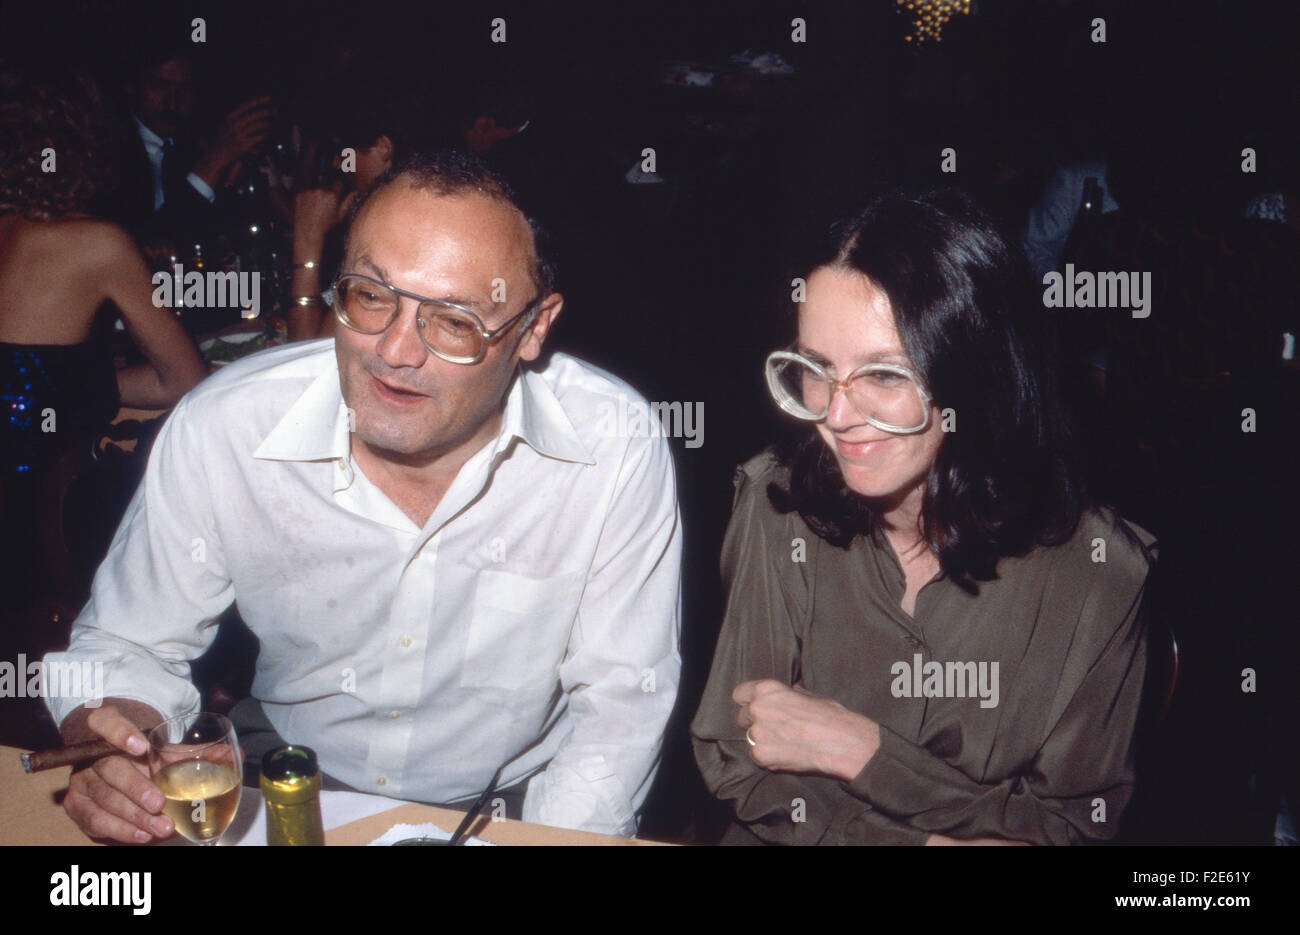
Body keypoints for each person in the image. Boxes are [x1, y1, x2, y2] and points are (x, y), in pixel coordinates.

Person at [44, 149, 682, 842]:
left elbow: (619, 706)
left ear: (533, 328)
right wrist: (118, 744)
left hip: (512, 799)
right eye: (371, 297)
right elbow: (127, 641)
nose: (395, 351)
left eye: (454, 320)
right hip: (281, 771)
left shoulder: (613, 443)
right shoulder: (226, 426)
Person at [691, 187, 1158, 845]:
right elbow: (737, 754)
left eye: (883, 375)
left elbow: (1071, 827)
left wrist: (860, 751)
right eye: (816, 369)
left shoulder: (1098, 575)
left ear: (977, 374)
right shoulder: (779, 503)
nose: (835, 414)